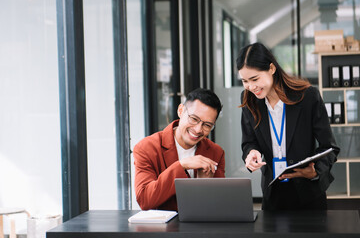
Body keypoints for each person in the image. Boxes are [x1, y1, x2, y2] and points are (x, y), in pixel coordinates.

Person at [237, 42, 340, 210]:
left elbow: (329, 147)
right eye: (245, 81)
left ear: (271, 68)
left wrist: (315, 172)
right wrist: (251, 153)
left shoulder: (308, 97)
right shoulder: (249, 100)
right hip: (273, 192)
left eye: (255, 79)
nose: (251, 87)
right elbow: (249, 142)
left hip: (308, 191)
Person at [133, 88, 225, 211]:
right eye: (194, 119)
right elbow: (145, 200)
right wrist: (181, 165)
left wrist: (203, 185)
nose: (198, 129)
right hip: (162, 228)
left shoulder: (215, 152)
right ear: (181, 111)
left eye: (207, 125)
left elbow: (220, 204)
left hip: (202, 226)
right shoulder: (147, 147)